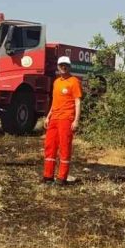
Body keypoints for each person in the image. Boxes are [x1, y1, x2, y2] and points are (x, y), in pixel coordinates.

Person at [42, 55, 83, 185]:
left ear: (69, 66)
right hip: (54, 118)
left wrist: (76, 120)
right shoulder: (56, 82)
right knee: (50, 146)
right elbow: (54, 102)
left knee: (64, 147)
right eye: (61, 65)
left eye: (66, 65)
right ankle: (48, 176)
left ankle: (61, 178)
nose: (63, 67)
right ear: (58, 67)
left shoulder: (74, 81)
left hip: (66, 118)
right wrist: (48, 116)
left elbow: (77, 102)